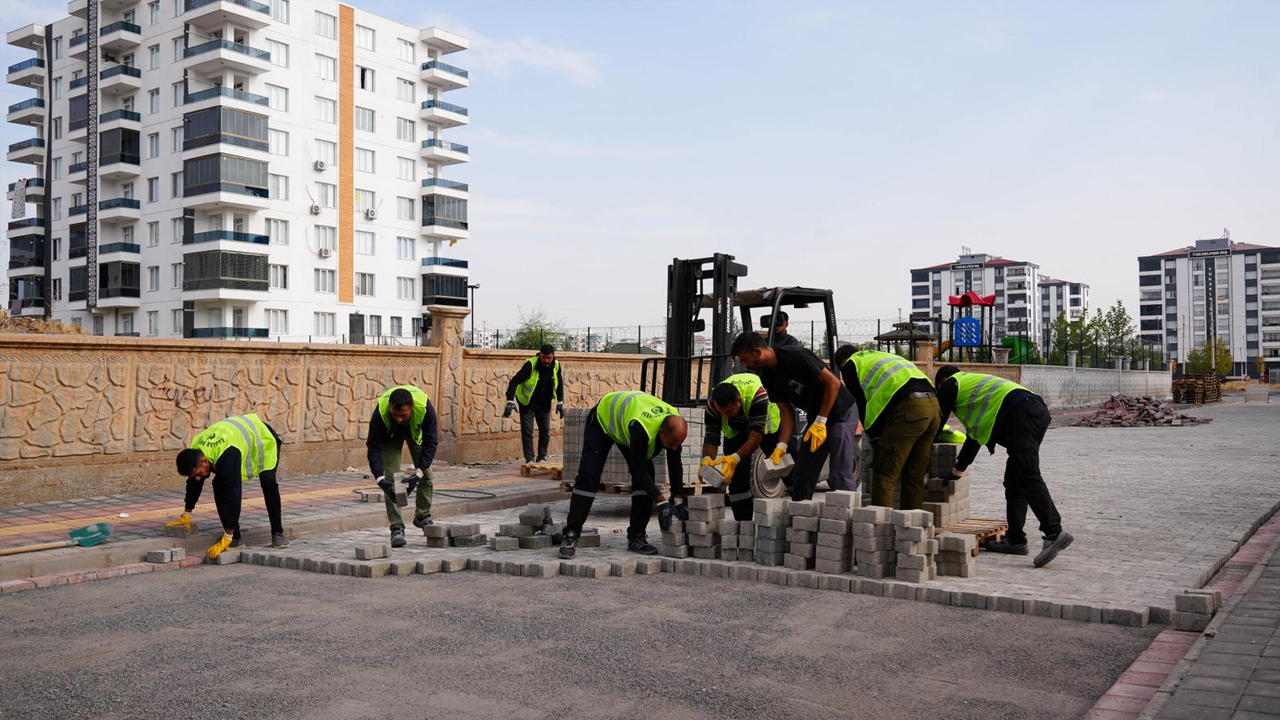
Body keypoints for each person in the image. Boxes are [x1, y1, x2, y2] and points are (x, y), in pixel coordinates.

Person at [934, 366, 1074, 568]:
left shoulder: (952, 383)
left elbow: (937, 421)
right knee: (1015, 480)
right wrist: (957, 471)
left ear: (943, 381)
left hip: (1022, 412)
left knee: (1027, 474)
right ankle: (1016, 541)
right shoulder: (973, 393)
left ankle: (1054, 532)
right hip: (1032, 410)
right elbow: (975, 436)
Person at [560, 391, 688, 559]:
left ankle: (637, 537)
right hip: (602, 421)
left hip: (626, 422)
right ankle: (571, 534)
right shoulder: (642, 428)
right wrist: (662, 503)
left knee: (647, 477)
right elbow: (638, 470)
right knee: (589, 475)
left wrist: (677, 499)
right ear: (662, 432)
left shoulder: (673, 425)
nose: (673, 448)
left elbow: (675, 463)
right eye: (671, 444)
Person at [731, 331, 858, 500]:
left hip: (841, 411)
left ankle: (845, 518)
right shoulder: (767, 376)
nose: (745, 365)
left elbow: (833, 383)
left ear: (757, 352)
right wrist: (781, 446)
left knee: (839, 472)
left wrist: (821, 421)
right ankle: (800, 519)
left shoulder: (795, 356)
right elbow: (786, 412)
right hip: (818, 417)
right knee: (803, 473)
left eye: (745, 359)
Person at [833, 346, 940, 510]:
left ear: (841, 363)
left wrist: (874, 437)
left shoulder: (850, 364)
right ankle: (912, 527)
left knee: (885, 474)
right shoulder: (882, 356)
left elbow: (861, 405)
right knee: (914, 475)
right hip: (933, 407)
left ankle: (878, 528)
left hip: (910, 410)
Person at [169, 413, 289, 560]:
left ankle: (277, 533)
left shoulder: (227, 455)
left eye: (199, 473)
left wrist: (227, 535)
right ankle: (236, 538)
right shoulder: (196, 450)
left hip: (264, 439)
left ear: (205, 461)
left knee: (268, 481)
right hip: (238, 438)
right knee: (218, 484)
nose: (198, 477)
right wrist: (187, 513)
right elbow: (194, 482)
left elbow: (233, 494)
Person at [700, 374, 781, 521]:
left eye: (729, 412)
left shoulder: (758, 396)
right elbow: (711, 437)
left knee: (783, 466)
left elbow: (755, 438)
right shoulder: (713, 405)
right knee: (736, 480)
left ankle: (799, 508)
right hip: (736, 431)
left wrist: (734, 458)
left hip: (766, 429)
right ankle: (744, 527)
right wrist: (706, 460)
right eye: (721, 413)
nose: (725, 416)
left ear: (739, 401)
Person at [366, 385, 438, 548]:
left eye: (403, 415)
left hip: (416, 433)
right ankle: (397, 528)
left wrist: (418, 473)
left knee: (426, 475)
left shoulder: (426, 409)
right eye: (395, 414)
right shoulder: (381, 413)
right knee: (392, 479)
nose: (399, 418)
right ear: (390, 407)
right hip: (391, 435)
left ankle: (422, 516)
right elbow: (374, 447)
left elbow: (431, 442)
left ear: (411, 407)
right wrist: (380, 479)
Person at [504, 344, 565, 464]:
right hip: (527, 403)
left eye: (549, 358)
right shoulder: (530, 365)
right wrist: (510, 400)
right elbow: (515, 381)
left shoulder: (557, 365)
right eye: (544, 358)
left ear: (553, 357)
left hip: (544, 403)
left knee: (545, 431)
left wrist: (560, 402)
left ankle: (542, 457)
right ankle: (530, 459)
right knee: (527, 431)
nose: (546, 361)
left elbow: (560, 383)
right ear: (540, 355)